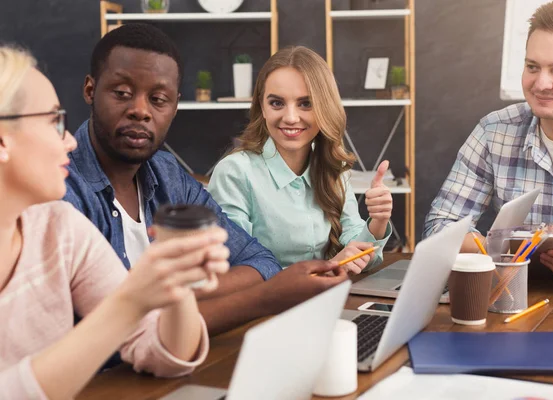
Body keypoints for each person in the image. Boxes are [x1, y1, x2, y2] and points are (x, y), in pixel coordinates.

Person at [64, 24, 348, 335]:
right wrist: (263, 299)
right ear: (90, 90)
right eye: (122, 94)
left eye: (158, 99)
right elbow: (110, 330)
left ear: (175, 106)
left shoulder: (167, 174)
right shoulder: (63, 192)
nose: (140, 111)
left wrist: (173, 300)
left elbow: (259, 260)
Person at [0, 46, 231, 399]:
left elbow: (165, 355)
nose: (68, 139)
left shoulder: (60, 229)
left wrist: (176, 281)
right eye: (53, 121)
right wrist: (130, 301)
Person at [423, 1, 553, 292]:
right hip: (510, 297)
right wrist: (494, 250)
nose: (541, 83)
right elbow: (440, 226)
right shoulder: (494, 131)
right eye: (533, 66)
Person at [208, 46, 393, 273]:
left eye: (306, 104)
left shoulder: (332, 168)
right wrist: (326, 267)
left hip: (327, 299)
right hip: (267, 307)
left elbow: (360, 255)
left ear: (324, 107)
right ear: (262, 107)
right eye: (277, 103)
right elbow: (235, 269)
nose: (291, 117)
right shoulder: (235, 172)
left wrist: (378, 221)